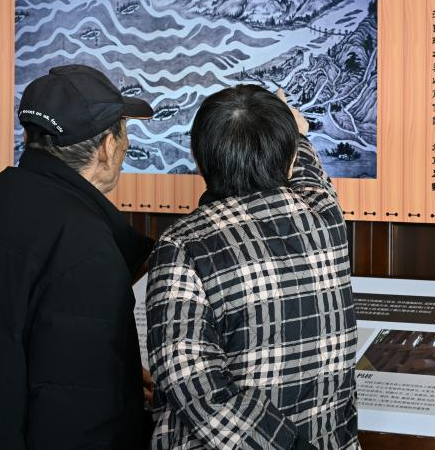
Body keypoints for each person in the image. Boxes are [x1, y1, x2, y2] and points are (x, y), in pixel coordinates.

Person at [0, 64, 155, 449]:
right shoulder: (87, 249)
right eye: (123, 130)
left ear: (30, 137)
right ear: (108, 147)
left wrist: (120, 381)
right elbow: (77, 417)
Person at [146, 85, 359, 450]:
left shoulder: (183, 245)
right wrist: (298, 134)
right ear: (290, 159)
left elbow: (194, 386)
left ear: (199, 160)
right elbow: (309, 174)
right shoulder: (324, 215)